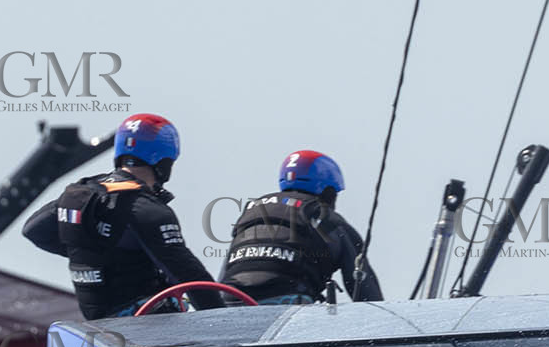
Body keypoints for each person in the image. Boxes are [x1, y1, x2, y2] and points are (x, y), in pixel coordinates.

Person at [23, 113, 222, 319]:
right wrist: (228, 324)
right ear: (164, 161)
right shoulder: (145, 208)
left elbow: (33, 231)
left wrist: (95, 255)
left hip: (98, 329)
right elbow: (190, 277)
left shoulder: (79, 195)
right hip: (147, 327)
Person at [219, 150, 383, 304]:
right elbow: (367, 292)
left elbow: (225, 274)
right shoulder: (329, 220)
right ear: (328, 191)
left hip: (230, 302)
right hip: (286, 304)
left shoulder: (253, 211)